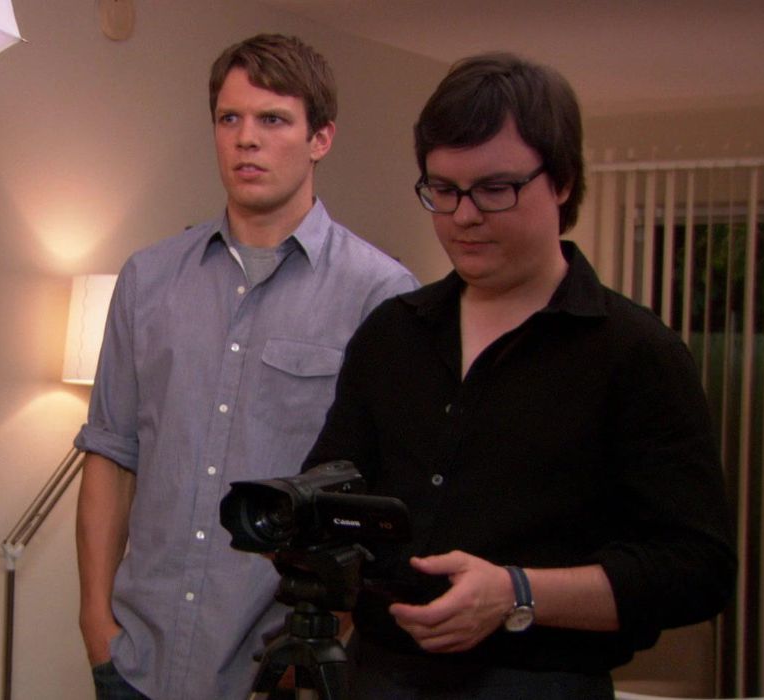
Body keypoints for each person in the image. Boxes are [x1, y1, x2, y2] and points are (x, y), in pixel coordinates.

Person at [301, 52, 736, 699]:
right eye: (442, 190)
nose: (464, 216)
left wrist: (517, 592)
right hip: (380, 675)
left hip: (542, 683)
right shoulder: (392, 334)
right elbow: (334, 493)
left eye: (495, 189)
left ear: (560, 181)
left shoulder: (635, 351)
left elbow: (697, 568)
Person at [74, 34, 418, 700]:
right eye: (229, 119)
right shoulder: (149, 279)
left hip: (279, 670)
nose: (246, 139)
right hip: (137, 662)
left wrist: (330, 637)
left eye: (273, 120)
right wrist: (96, 623)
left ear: (320, 138)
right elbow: (111, 453)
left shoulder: (379, 294)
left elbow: (381, 498)